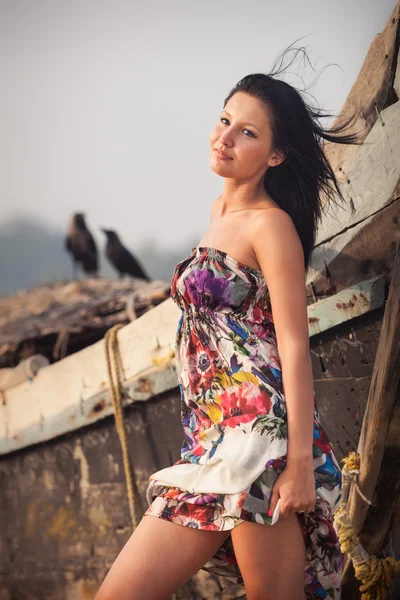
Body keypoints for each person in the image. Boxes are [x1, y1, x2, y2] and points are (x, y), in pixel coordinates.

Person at [95, 45, 361, 600]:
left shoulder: (271, 227)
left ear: (276, 156)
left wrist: (300, 467)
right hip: (211, 441)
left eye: (247, 133)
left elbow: (291, 345)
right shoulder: (220, 216)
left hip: (260, 444)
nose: (225, 137)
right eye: (224, 121)